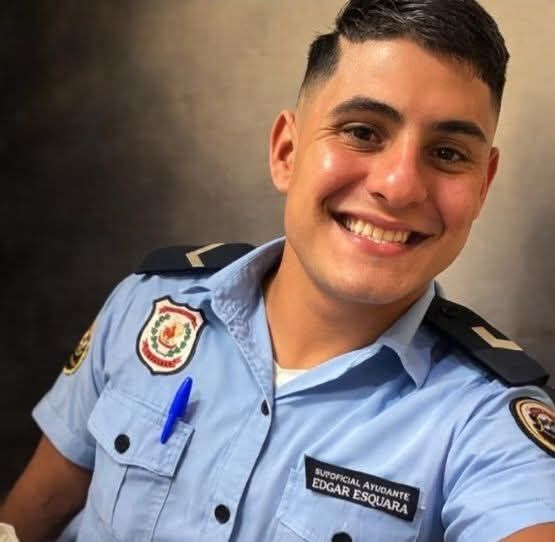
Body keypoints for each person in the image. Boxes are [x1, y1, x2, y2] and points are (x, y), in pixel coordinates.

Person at [1, 0, 554, 540]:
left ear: (483, 186)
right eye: (362, 132)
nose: (400, 185)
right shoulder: (148, 307)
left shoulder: (485, 423)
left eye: (449, 153)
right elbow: (32, 516)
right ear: (287, 152)